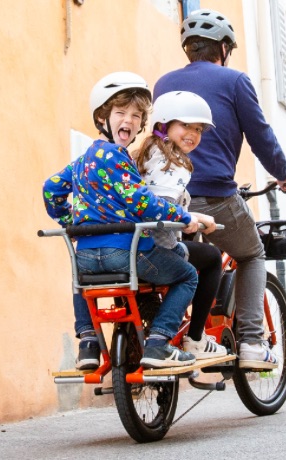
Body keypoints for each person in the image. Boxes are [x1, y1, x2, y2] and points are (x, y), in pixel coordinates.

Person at [154, 9, 286, 369]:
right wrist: (283, 174)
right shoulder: (235, 81)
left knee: (189, 262)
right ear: (224, 47)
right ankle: (252, 342)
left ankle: (192, 336)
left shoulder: (163, 83)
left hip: (168, 199)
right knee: (251, 254)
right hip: (216, 195)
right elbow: (260, 135)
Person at [42, 71, 216, 369]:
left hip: (85, 256)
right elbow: (143, 202)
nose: (130, 120)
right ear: (102, 119)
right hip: (124, 252)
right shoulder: (118, 158)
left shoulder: (82, 161)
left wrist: (70, 221)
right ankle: (159, 342)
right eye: (121, 112)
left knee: (80, 283)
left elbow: (51, 188)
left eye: (136, 116)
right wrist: (184, 217)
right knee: (187, 275)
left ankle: (88, 344)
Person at [133, 90, 227, 360]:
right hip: (156, 245)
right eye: (185, 125)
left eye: (198, 129)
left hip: (132, 244)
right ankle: (196, 339)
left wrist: (194, 217)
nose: (193, 134)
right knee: (209, 259)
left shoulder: (147, 153)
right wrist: (191, 220)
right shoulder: (173, 163)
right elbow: (163, 205)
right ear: (164, 124)